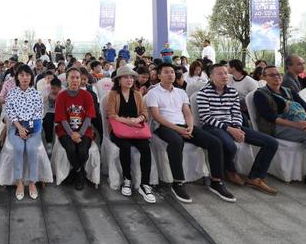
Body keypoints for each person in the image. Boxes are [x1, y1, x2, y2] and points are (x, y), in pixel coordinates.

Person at [146, 62, 235, 203]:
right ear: (159, 76)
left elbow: (187, 112)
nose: (170, 74)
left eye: (172, 72)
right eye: (166, 72)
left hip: (184, 126)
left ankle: (216, 181)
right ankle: (178, 182)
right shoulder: (153, 93)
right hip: (164, 127)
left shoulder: (181, 92)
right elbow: (157, 117)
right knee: (176, 142)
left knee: (215, 142)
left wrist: (190, 127)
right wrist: (178, 130)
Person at [197, 64, 278, 195]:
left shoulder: (232, 92)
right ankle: (230, 171)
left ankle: (256, 177)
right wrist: (229, 129)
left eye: (226, 73)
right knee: (230, 146)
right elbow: (206, 117)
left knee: (271, 143)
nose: (224, 76)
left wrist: (237, 128)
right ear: (211, 76)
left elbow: (236, 113)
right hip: (212, 126)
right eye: (220, 74)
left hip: (232, 125)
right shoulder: (203, 93)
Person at [253, 66, 306, 194]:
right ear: (264, 77)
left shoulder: (288, 91)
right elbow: (270, 117)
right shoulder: (260, 94)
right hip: (276, 128)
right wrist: (297, 125)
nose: (277, 77)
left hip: (299, 125)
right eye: (272, 75)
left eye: (279, 74)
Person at [105, 66, 156, 203]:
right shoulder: (113, 94)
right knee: (125, 147)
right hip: (119, 130)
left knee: (145, 147)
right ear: (119, 80)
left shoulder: (137, 94)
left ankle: (145, 184)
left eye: (131, 77)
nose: (129, 80)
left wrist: (137, 120)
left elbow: (144, 114)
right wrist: (127, 121)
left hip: (136, 129)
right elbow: (111, 114)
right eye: (125, 77)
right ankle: (127, 179)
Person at [6, 64, 44, 200]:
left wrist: (29, 129)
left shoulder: (36, 94)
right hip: (16, 127)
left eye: (27, 75)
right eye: (21, 75)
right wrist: (20, 128)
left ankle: (32, 182)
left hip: (33, 128)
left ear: (31, 77)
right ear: (17, 77)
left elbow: (39, 113)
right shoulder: (12, 93)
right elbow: (10, 112)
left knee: (32, 149)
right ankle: (20, 182)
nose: (24, 78)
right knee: (19, 148)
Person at [55, 67, 96, 190]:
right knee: (71, 148)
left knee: (83, 150)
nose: (75, 80)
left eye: (77, 77)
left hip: (84, 130)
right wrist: (72, 134)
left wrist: (80, 133)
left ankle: (75, 172)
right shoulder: (61, 96)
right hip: (65, 131)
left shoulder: (87, 95)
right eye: (72, 77)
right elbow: (62, 119)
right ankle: (80, 172)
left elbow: (88, 117)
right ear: (66, 80)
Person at [42, 77, 62, 147]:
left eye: (54, 88)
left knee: (62, 122)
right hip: (49, 111)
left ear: (59, 88)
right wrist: (47, 97)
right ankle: (49, 142)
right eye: (52, 88)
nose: (52, 90)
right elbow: (42, 102)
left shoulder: (63, 91)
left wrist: (56, 99)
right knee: (47, 121)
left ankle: (61, 140)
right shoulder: (46, 90)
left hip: (60, 111)